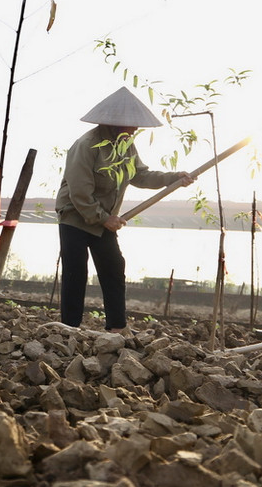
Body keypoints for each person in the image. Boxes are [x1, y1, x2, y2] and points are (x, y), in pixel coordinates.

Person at [54, 87, 195, 332]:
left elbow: (140, 175)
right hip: (76, 217)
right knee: (75, 273)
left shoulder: (126, 146)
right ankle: (69, 329)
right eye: (131, 126)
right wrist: (103, 218)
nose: (135, 130)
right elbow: (79, 193)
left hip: (105, 221)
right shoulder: (87, 146)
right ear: (116, 124)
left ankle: (117, 328)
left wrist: (173, 178)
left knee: (114, 269)